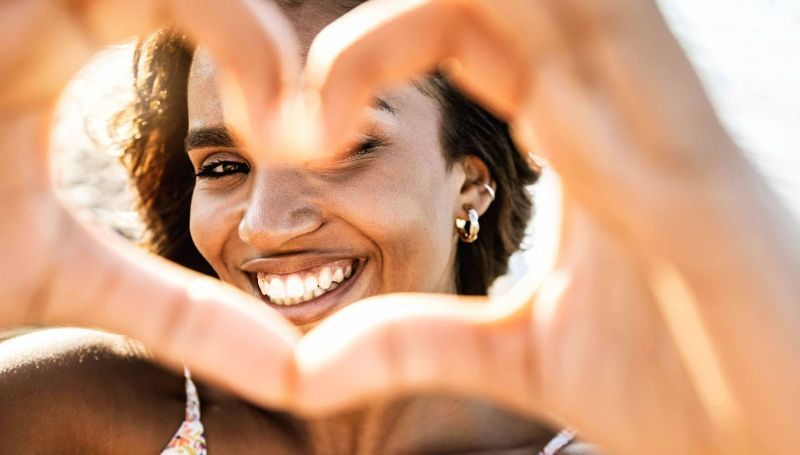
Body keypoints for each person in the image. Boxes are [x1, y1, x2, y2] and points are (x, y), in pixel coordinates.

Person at [0, 0, 798, 453]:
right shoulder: (66, 408)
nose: (269, 224)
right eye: (222, 166)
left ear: (471, 182)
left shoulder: (643, 434)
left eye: (346, 149)